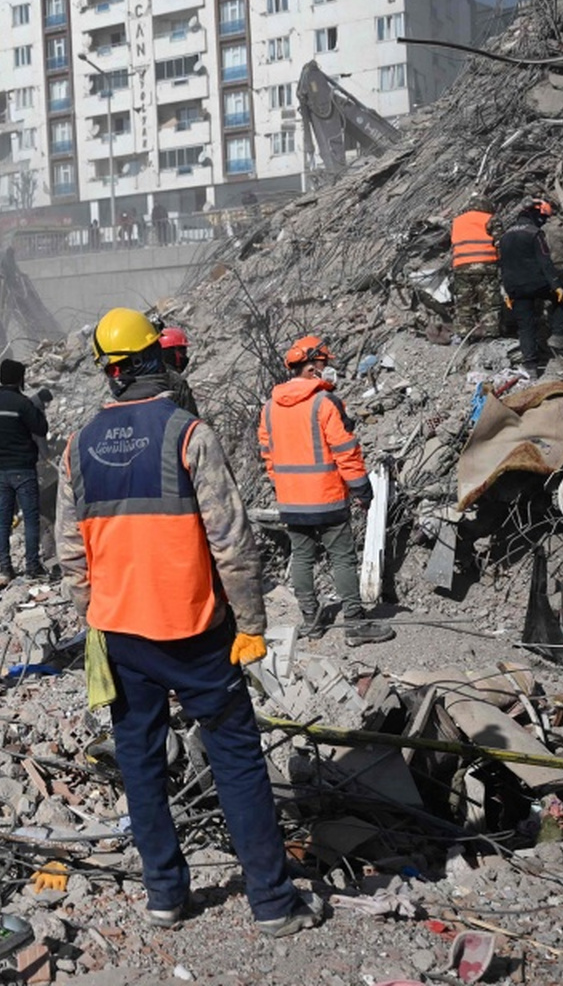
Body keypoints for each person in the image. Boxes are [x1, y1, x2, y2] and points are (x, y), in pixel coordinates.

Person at [56, 308, 326, 936]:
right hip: (196, 631)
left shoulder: (76, 445)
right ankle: (272, 902)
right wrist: (251, 622)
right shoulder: (187, 433)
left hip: (121, 634)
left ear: (109, 371)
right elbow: (232, 541)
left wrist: (93, 614)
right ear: (156, 358)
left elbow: (71, 553)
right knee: (235, 759)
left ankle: (165, 897)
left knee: (142, 762)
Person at [258, 336, 393, 645]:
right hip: (327, 497)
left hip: (292, 500)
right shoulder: (324, 403)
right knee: (342, 558)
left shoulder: (269, 408)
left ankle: (311, 622)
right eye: (323, 363)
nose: (327, 368)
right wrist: (361, 488)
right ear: (312, 366)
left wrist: (284, 486)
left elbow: (269, 455)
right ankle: (355, 625)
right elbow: (345, 450)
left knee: (302, 558)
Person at [0, 358, 50, 579]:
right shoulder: (22, 404)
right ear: (20, 378)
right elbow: (41, 428)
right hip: (24, 469)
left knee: (4, 520)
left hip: (1, 470)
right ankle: (32, 566)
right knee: (30, 519)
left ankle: (5, 567)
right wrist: (38, 408)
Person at [496, 199, 563, 371]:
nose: (543, 222)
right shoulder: (534, 232)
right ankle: (558, 335)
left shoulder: (504, 237)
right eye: (542, 218)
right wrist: (556, 284)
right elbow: (544, 261)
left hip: (515, 288)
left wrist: (507, 291)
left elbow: (503, 265)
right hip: (536, 283)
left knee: (525, 326)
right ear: (534, 216)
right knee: (561, 298)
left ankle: (530, 366)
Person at [449, 200, 501, 341]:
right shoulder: (490, 218)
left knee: (464, 303)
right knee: (489, 301)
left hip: (461, 267)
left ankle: (466, 335)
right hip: (486, 266)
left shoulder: (456, 221)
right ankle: (490, 333)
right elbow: (500, 242)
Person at [158, 326, 200, 418]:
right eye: (183, 351)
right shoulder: (175, 380)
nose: (184, 357)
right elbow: (191, 418)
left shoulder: (149, 377)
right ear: (172, 352)